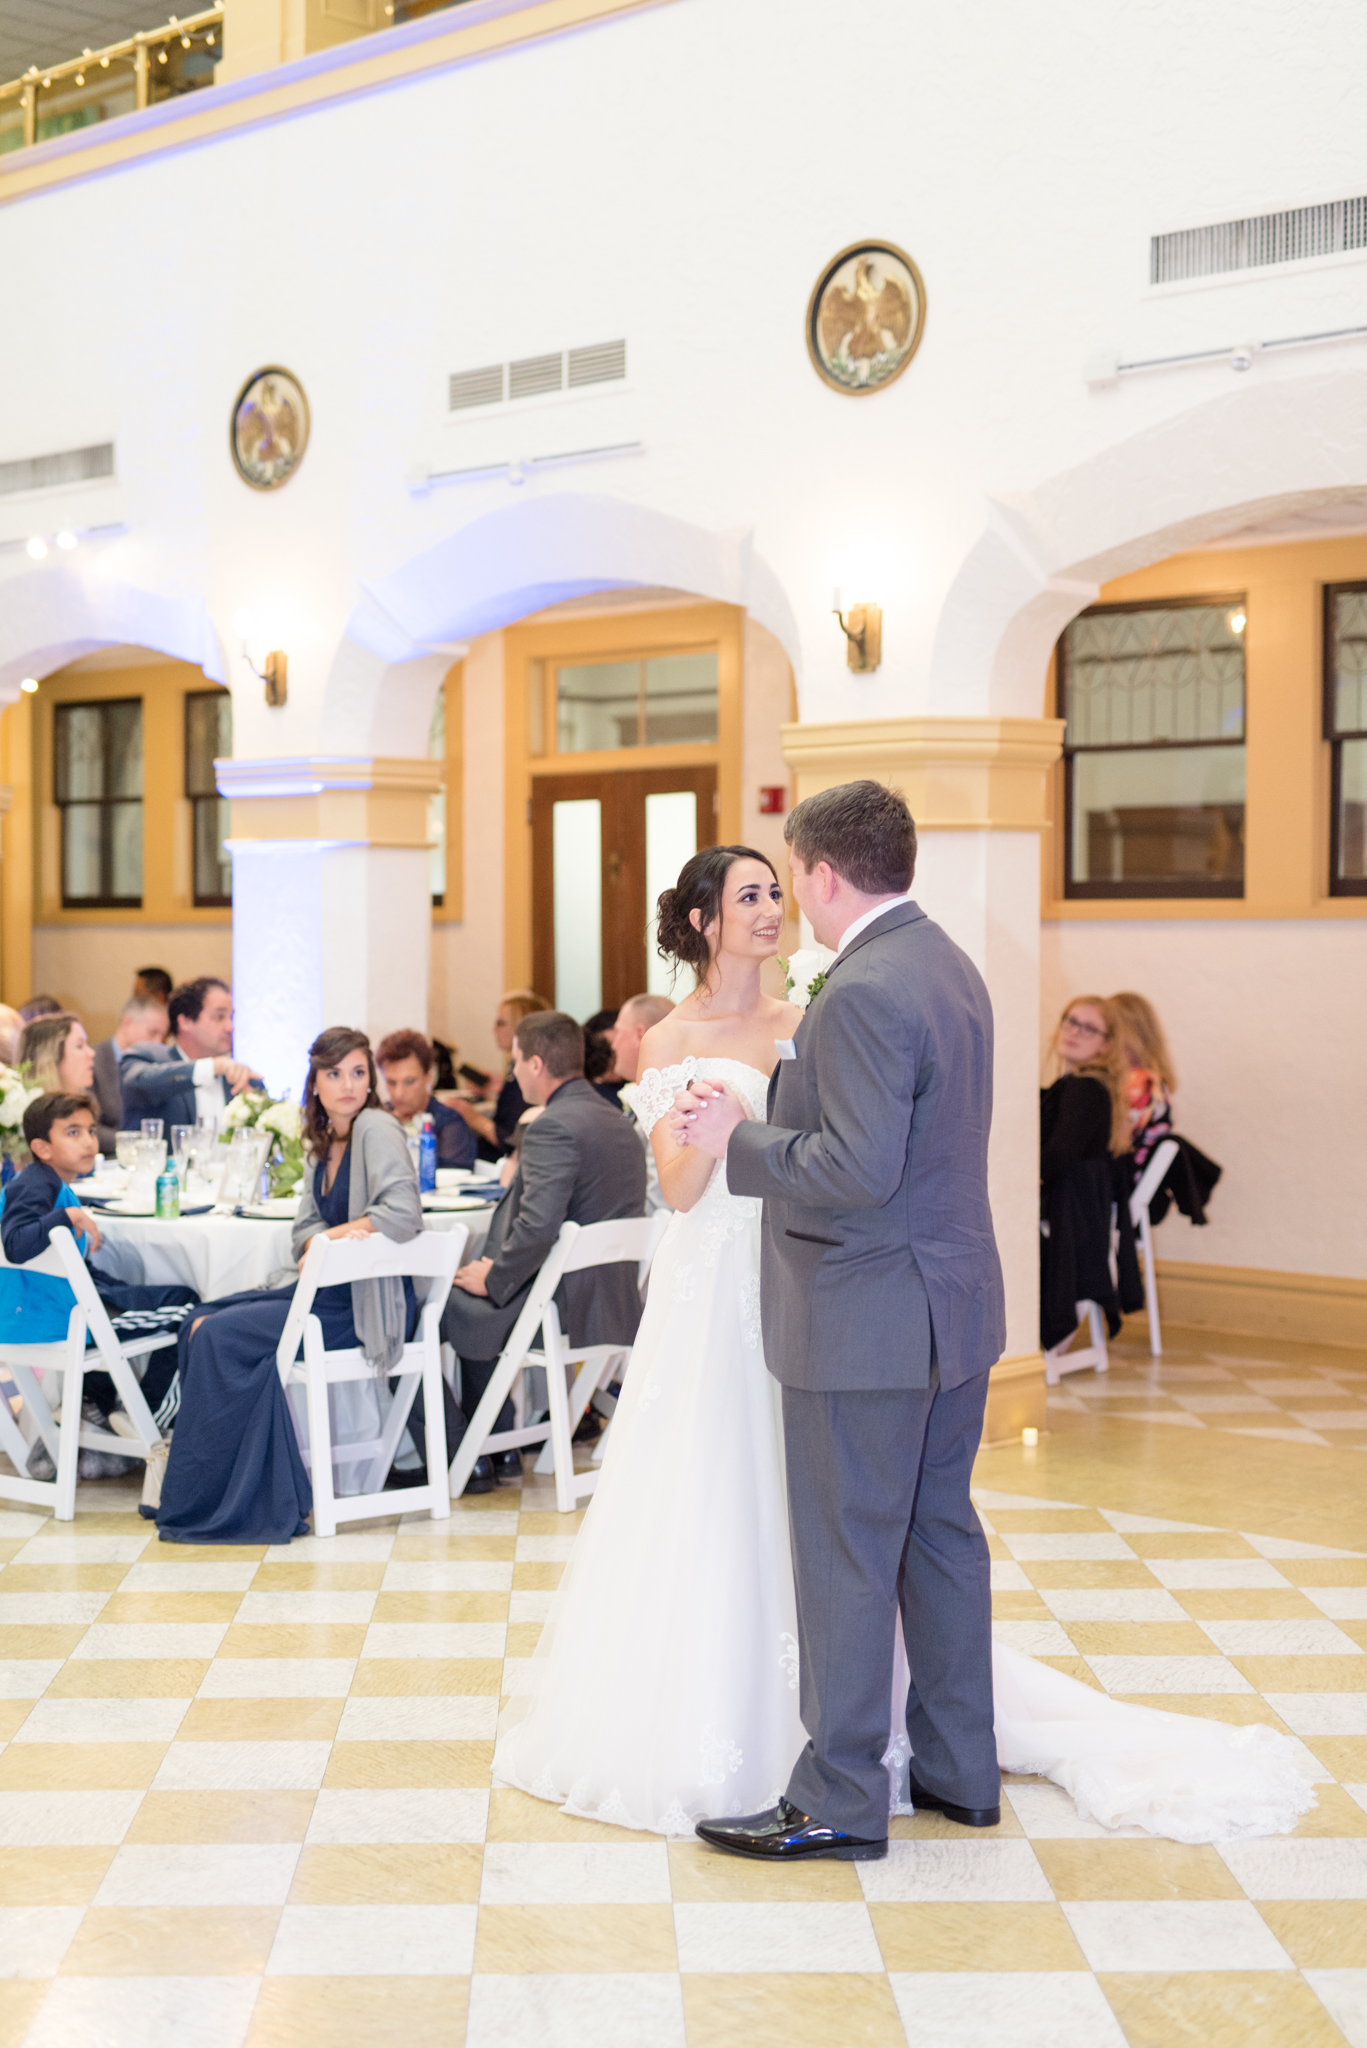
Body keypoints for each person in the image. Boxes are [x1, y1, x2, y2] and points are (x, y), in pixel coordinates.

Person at [493, 800, 1313, 1851]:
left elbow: (853, 1166)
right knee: (938, 1537)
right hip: (945, 1307)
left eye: (786, 877)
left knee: (844, 1549)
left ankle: (836, 1795)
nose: (781, 901)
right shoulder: (950, 965)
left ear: (826, 874)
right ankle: (956, 1769)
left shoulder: (856, 993)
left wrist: (742, 1136)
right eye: (749, 891)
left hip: (863, 1311)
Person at [154, 1027, 423, 1545]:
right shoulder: (325, 1141)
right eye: (333, 1073)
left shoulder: (375, 1127)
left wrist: (328, 1243)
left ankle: (246, 1501)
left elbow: (402, 1213)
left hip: (355, 1307)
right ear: (316, 1083)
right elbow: (301, 1229)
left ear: (371, 1080)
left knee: (217, 1335)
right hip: (320, 1296)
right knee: (197, 1320)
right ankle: (211, 1493)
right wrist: (318, 1244)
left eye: (358, 1072)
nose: (347, 1084)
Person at [405, 1009, 647, 1493]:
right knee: (470, 1301)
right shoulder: (616, 1119)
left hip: (562, 1307)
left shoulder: (552, 1126)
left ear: (536, 1064)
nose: (512, 1071)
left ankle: (461, 1454)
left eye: (515, 1061)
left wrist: (493, 1276)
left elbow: (536, 1229)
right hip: (612, 1300)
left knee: (424, 1312)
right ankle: (498, 1444)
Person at [0, 1093, 197, 1479]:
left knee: (136, 1290)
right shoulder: (36, 1184)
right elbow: (17, 1243)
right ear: (41, 1147)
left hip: (39, 1313)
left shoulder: (40, 1181)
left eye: (90, 1130)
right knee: (188, 1308)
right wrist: (69, 1214)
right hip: (58, 1319)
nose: (89, 1141)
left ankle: (98, 1403)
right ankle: (149, 1421)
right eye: (72, 1132)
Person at [1039, 996, 1134, 1356]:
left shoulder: (1085, 1088)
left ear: (1106, 1044)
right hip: (1080, 1212)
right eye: (1070, 1021)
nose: (1075, 1032)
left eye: (1089, 1028)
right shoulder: (1083, 1085)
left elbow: (1058, 1155)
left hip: (1070, 1214)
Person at [119, 977, 261, 1131]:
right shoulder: (151, 1058)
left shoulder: (240, 1078)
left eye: (231, 1017)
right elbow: (138, 1085)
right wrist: (212, 1067)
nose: (230, 1027)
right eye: (219, 1017)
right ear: (185, 1021)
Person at [449, 989, 551, 1157]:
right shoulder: (519, 1071)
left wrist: (471, 1116)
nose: (494, 1030)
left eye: (501, 1023)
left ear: (521, 1028)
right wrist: (502, 1087)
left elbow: (511, 1140)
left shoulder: (529, 1076)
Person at [18, 1013, 118, 1159]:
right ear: (51, 1057)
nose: (91, 1053)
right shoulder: (23, 1115)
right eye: (79, 1046)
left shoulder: (83, 1104)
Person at [375, 1029, 478, 1170]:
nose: (399, 1093)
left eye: (409, 1081)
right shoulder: (377, 1119)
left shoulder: (449, 1123)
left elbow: (452, 1181)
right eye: (391, 1083)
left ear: (428, 1076)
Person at [612, 993, 676, 1215]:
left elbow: (659, 1200)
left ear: (640, 1034)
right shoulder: (652, 1092)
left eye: (619, 1031)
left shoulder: (667, 1099)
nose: (613, 1043)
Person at [93, 995, 170, 1148]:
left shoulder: (158, 1066)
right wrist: (134, 1142)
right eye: (153, 1033)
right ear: (127, 1023)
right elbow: (89, 1128)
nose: (158, 1043)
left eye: (163, 1036)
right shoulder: (94, 1061)